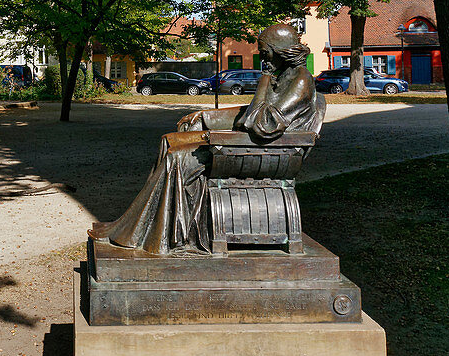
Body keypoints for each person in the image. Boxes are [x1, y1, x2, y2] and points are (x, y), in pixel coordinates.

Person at [89, 23, 323, 254]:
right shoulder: (286, 77)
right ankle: (138, 225)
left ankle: (153, 234)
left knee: (177, 158)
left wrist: (264, 78)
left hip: (264, 153)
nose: (262, 57)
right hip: (254, 145)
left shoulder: (300, 81)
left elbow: (261, 123)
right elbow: (253, 112)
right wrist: (204, 117)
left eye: (265, 52)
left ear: (279, 51)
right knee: (169, 141)